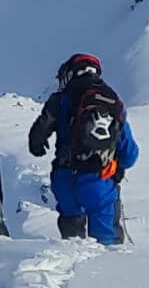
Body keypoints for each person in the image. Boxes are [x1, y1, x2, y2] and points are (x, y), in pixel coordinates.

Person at [28, 53, 139, 245]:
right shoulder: (113, 103)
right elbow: (130, 154)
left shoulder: (60, 100)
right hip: (99, 179)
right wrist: (117, 167)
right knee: (107, 244)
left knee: (72, 241)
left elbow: (37, 136)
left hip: (65, 178)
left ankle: (71, 267)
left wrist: (38, 146)